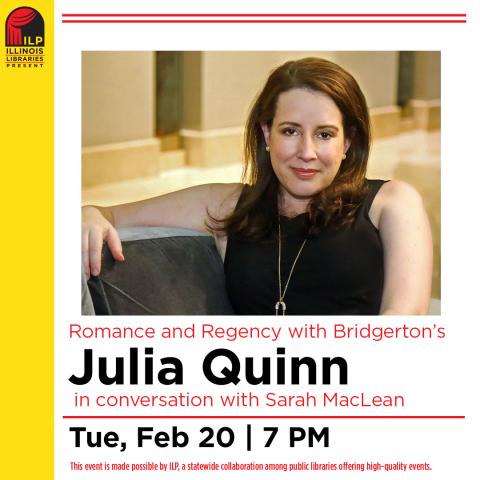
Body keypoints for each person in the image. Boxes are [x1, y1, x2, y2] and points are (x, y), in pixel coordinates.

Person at [82, 57, 432, 315]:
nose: (306, 153)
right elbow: (106, 212)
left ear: (347, 142)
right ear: (267, 134)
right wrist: (91, 215)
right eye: (290, 131)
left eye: (324, 134)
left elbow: (403, 325)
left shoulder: (391, 203)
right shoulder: (230, 205)